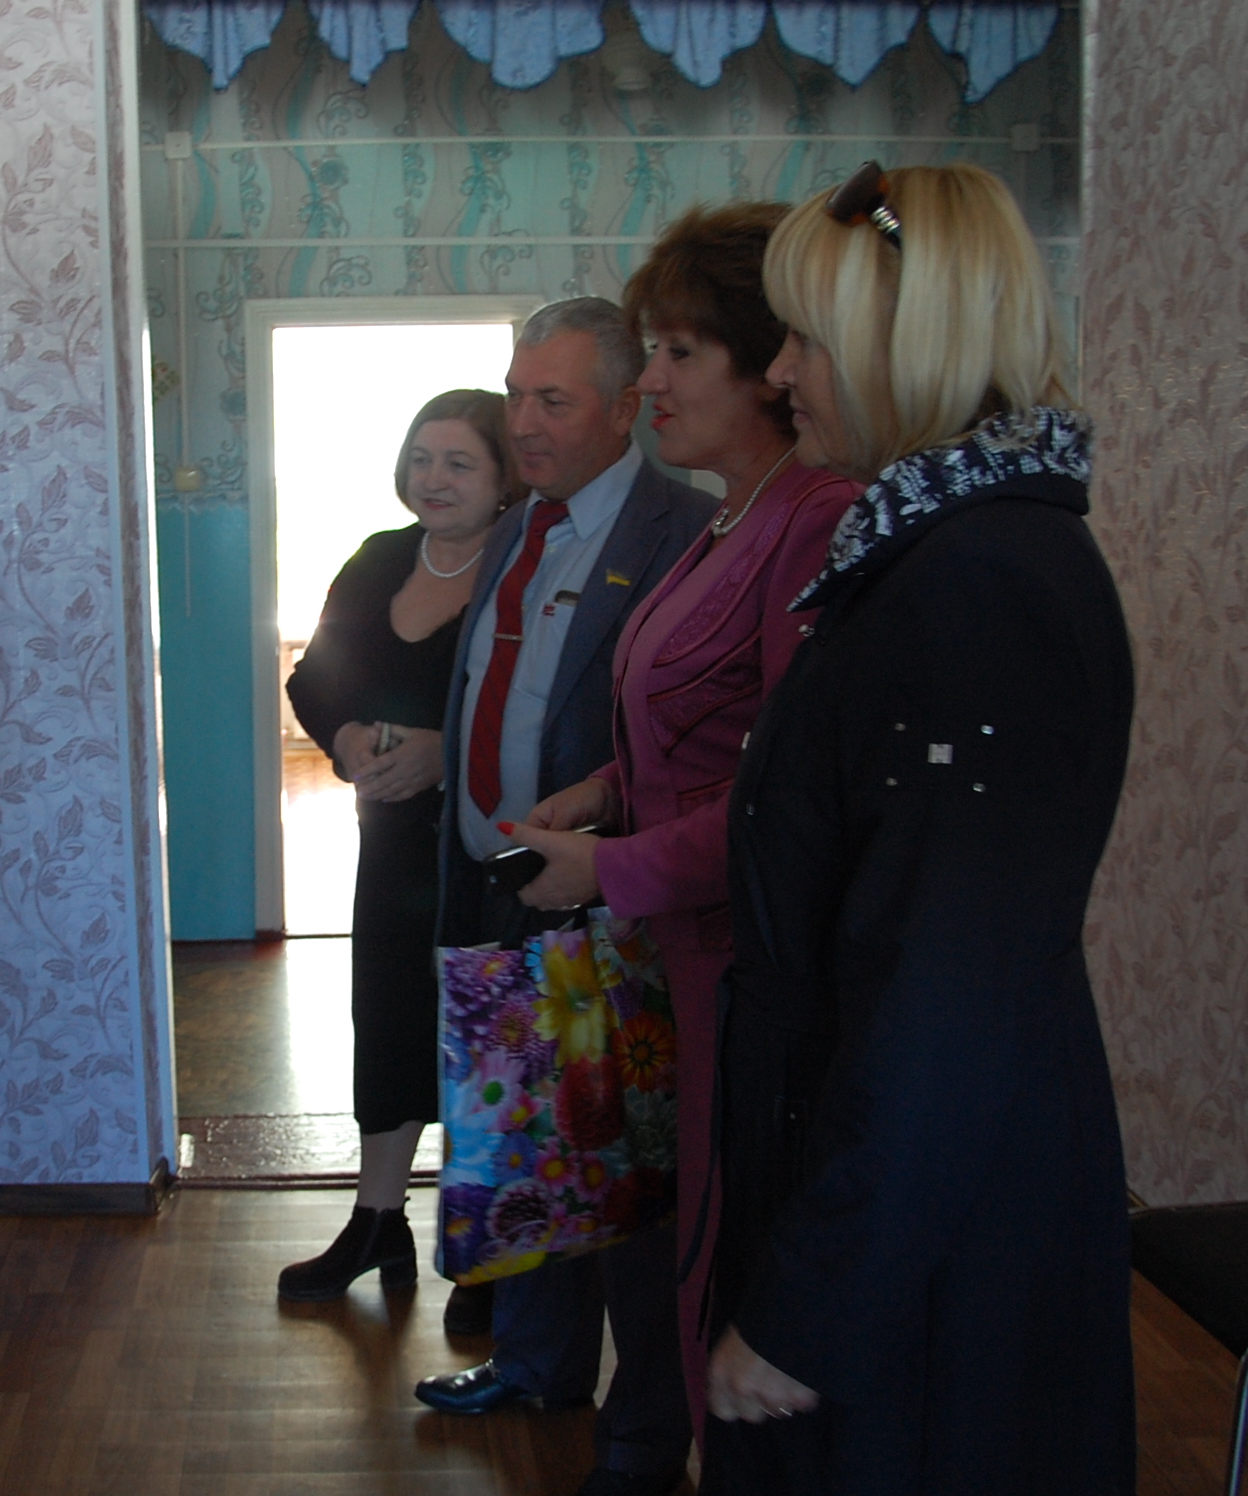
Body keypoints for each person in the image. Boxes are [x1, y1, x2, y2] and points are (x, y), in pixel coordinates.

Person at [702, 162, 1136, 1492]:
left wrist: (810, 1300)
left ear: (909, 342)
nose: (781, 372)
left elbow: (943, 994)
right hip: (908, 1186)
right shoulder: (935, 555)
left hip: (928, 1239)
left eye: (806, 339)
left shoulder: (978, 586)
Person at [501, 204, 862, 1449]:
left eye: (677, 354)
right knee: (672, 1237)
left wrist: (610, 864)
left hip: (738, 963)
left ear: (772, 367)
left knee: (727, 1257)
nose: (649, 380)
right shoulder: (732, 512)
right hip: (676, 954)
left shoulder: (816, 517)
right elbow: (704, 724)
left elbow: (788, 798)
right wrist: (608, 786)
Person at [414, 297, 710, 1496]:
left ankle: (642, 1433)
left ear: (626, 404)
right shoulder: (517, 527)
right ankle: (537, 1365)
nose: (523, 422)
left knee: (625, 1172)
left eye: (553, 399)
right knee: (524, 1148)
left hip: (608, 900)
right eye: (515, 393)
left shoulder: (682, 529)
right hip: (495, 888)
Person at [277, 390, 524, 1307]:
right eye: (422, 458)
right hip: (389, 849)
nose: (435, 477)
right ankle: (377, 1224)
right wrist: (343, 738)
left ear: (503, 477)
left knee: (480, 1039)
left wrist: (447, 755)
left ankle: (486, 1245)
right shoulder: (379, 558)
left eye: (460, 461)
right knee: (386, 1028)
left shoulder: (526, 567)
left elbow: (552, 715)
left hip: (488, 853)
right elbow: (316, 678)